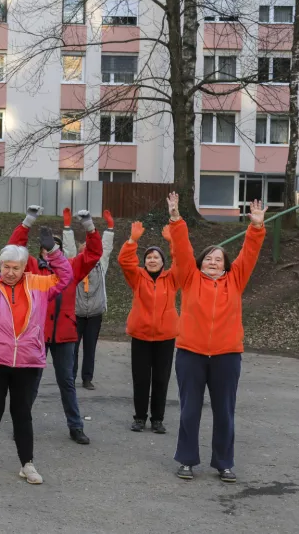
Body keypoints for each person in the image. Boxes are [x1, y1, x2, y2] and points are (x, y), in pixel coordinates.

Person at [0, 221, 73, 485]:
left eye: (15, 268)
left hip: (28, 360)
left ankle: (27, 464)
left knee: (22, 412)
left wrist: (53, 251)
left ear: (24, 267)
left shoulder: (40, 284)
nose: (10, 272)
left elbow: (66, 276)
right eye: (6, 267)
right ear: (0, 264)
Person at [167, 193, 266, 483]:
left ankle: (224, 463)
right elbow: (183, 250)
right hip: (191, 354)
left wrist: (256, 227)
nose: (213, 261)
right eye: (208, 258)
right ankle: (186, 460)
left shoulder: (235, 279)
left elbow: (249, 253)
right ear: (201, 263)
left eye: (218, 259)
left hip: (226, 356)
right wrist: (176, 219)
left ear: (225, 265)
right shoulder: (189, 278)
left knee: (224, 413)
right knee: (189, 412)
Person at [8, 205, 101, 445]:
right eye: (46, 247)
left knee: (67, 382)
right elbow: (14, 249)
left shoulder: (71, 267)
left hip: (65, 334)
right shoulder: (30, 269)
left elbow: (94, 253)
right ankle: (21, 423)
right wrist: (28, 221)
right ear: (40, 251)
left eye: (54, 247)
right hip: (37, 334)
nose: (49, 251)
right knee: (32, 382)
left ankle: (76, 426)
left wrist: (89, 226)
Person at [118, 221, 179, 434]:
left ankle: (157, 419)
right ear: (144, 262)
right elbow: (124, 261)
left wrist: (173, 242)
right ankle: (139, 417)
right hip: (141, 336)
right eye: (149, 257)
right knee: (141, 379)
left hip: (165, 337)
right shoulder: (137, 277)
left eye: (156, 257)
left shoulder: (172, 278)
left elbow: (183, 262)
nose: (152, 260)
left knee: (161, 379)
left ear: (163, 262)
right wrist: (132, 240)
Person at [62, 208, 115, 389]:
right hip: (76, 312)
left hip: (94, 313)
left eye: (89, 250)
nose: (87, 253)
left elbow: (105, 249)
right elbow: (68, 249)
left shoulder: (101, 265)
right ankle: (71, 376)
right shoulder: (74, 265)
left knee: (90, 348)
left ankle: (87, 378)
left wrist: (110, 229)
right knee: (73, 349)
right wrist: (67, 227)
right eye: (83, 250)